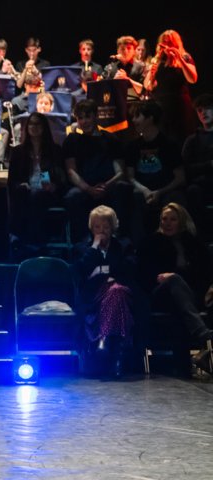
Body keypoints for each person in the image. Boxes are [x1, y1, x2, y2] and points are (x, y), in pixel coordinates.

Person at [137, 203, 213, 375]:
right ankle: (205, 337)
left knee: (181, 303)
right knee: (174, 281)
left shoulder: (194, 244)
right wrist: (169, 277)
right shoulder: (150, 243)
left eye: (173, 219)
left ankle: (203, 354)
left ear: (182, 222)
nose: (168, 223)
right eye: (164, 219)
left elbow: (204, 274)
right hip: (159, 295)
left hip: (189, 298)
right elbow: (143, 276)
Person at [72, 206, 136, 378]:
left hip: (120, 292)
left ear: (113, 228)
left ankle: (104, 339)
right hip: (92, 296)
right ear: (91, 228)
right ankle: (116, 359)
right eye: (97, 227)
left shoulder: (124, 246)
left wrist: (100, 272)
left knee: (116, 291)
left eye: (106, 227)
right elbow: (80, 272)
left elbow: (128, 269)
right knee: (116, 292)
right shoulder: (81, 248)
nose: (101, 231)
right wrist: (94, 248)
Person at [63, 100, 131, 242]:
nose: (84, 121)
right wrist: (88, 189)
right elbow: (71, 172)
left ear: (95, 116)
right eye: (80, 118)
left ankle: (118, 238)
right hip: (83, 187)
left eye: (87, 117)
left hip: (107, 186)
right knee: (72, 196)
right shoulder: (72, 140)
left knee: (123, 188)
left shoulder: (111, 139)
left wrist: (106, 186)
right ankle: (82, 241)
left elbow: (120, 172)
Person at [7, 112, 66, 254]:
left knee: (38, 196)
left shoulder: (55, 150)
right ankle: (18, 237)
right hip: (27, 190)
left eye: (38, 124)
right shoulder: (18, 151)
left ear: (44, 127)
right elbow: (12, 180)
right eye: (31, 124)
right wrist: (20, 185)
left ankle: (33, 242)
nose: (34, 127)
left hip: (47, 193)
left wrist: (54, 186)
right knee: (22, 193)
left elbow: (62, 179)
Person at [125, 101, 185, 238]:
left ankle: (175, 245)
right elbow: (130, 176)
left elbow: (180, 177)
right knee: (134, 196)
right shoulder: (132, 146)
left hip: (165, 190)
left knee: (175, 200)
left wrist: (159, 192)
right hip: (142, 191)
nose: (133, 120)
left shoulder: (169, 144)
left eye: (137, 116)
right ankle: (139, 249)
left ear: (150, 118)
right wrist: (145, 190)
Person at [144, 30, 198, 143]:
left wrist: (180, 58)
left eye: (169, 43)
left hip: (179, 107)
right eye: (164, 43)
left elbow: (193, 79)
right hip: (160, 107)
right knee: (163, 141)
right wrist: (151, 73)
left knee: (180, 138)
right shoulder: (157, 60)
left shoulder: (185, 57)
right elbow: (148, 86)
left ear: (176, 44)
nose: (166, 46)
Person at [182, 94, 213, 237]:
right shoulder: (192, 140)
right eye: (199, 110)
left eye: (207, 109)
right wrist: (209, 165)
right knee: (193, 191)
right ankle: (201, 237)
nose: (203, 113)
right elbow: (185, 168)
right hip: (201, 185)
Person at [102, 36, 146, 100]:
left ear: (134, 51)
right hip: (115, 103)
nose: (125, 51)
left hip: (135, 105)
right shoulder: (110, 67)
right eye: (122, 49)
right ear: (118, 51)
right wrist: (114, 81)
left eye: (129, 48)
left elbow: (143, 90)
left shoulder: (141, 66)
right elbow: (103, 89)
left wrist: (127, 79)